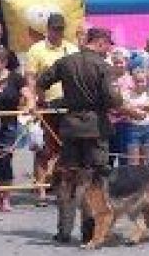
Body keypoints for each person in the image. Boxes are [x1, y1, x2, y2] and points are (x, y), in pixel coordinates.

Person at [34, 26, 123, 244]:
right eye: (107, 46)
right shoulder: (103, 66)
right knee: (94, 181)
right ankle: (89, 232)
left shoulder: (66, 62)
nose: (108, 50)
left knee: (68, 179)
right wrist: (122, 104)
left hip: (71, 127)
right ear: (100, 42)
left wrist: (44, 102)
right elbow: (112, 99)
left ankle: (64, 231)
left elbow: (41, 82)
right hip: (95, 128)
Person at [22, 13, 80, 201]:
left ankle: (62, 186)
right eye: (55, 29)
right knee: (45, 149)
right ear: (47, 29)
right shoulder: (36, 49)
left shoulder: (71, 49)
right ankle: (40, 190)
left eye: (61, 29)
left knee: (67, 149)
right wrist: (32, 101)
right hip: (46, 105)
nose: (58, 32)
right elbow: (31, 78)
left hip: (68, 106)